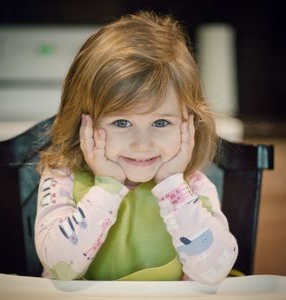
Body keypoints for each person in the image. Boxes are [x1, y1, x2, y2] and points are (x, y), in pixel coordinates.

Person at [35, 11, 238, 284]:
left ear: (189, 124)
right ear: (84, 123)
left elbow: (213, 271)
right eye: (121, 122)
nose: (142, 144)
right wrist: (108, 186)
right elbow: (60, 268)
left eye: (161, 122)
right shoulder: (62, 179)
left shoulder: (191, 187)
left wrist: (172, 187)